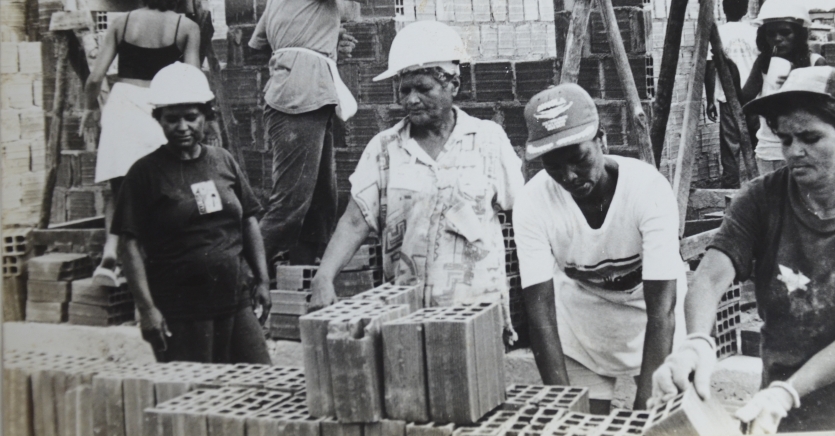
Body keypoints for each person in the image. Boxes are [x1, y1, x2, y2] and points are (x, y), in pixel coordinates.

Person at [648, 67, 835, 433]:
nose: (795, 152)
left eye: (810, 138)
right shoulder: (760, 200)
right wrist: (696, 342)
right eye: (786, 139)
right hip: (783, 388)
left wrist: (786, 394)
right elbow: (710, 278)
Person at [308, 21, 525, 314]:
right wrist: (324, 276)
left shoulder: (488, 140)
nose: (411, 99)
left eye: (423, 88)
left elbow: (523, 215)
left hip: (477, 312)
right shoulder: (384, 149)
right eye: (404, 89)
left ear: (453, 86)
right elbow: (355, 220)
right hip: (406, 314)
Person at [513, 84, 685, 414]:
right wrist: (561, 406)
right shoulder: (533, 203)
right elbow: (541, 315)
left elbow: (662, 309)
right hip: (582, 327)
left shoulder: (647, 189)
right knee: (579, 425)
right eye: (553, 165)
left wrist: (645, 409)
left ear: (601, 140)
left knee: (661, 420)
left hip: (650, 320)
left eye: (579, 159)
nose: (569, 176)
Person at [112, 63, 272, 364]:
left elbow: (248, 219)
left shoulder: (223, 161)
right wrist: (147, 310)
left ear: (207, 117)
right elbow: (129, 245)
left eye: (191, 117)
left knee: (260, 382)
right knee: (196, 396)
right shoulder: (144, 174)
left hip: (234, 299)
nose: (182, 126)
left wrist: (263, 280)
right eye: (172, 119)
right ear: (158, 120)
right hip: (181, 310)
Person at [80, 0, 202, 287]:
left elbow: (95, 77)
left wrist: (89, 109)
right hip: (159, 107)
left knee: (119, 188)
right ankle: (157, 267)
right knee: (163, 189)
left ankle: (110, 256)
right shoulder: (186, 27)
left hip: (122, 102)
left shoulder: (121, 23)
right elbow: (192, 80)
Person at [248, 0, 358, 268]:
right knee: (290, 206)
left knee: (321, 202)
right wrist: (313, 49)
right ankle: (238, 282)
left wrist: (318, 40)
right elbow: (351, 9)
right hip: (301, 95)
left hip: (308, 92)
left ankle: (301, 280)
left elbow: (258, 45)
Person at [740, 0, 826, 175]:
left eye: (785, 32)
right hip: (767, 150)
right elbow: (745, 98)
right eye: (771, 34)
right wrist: (731, 73)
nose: (777, 38)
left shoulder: (815, 62)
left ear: (799, 35)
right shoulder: (763, 63)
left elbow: (824, 112)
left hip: (802, 150)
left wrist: (798, 79)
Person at [705, 0, 758, 188]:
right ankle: (759, 188)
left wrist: (710, 100)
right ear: (745, 10)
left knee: (730, 148)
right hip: (755, 98)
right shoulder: (754, 33)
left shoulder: (719, 33)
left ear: (724, 9)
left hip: (728, 98)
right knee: (756, 145)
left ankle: (730, 191)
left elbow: (710, 68)